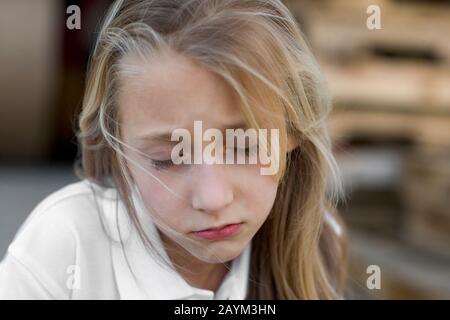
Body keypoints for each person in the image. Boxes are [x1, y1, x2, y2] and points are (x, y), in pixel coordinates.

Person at [0, 0, 347, 299]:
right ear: (118, 154)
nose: (212, 198)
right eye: (169, 158)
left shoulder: (319, 245)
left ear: (293, 130)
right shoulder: (67, 245)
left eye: (244, 147)